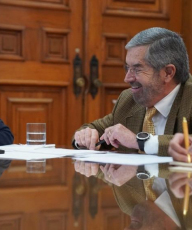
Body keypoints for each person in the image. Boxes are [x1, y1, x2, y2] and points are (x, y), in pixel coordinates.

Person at [73, 27, 192, 176]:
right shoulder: (128, 99)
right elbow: (93, 128)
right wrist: (84, 137)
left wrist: (140, 142)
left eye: (137, 69)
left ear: (168, 73)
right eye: (127, 68)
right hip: (140, 197)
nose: (127, 78)